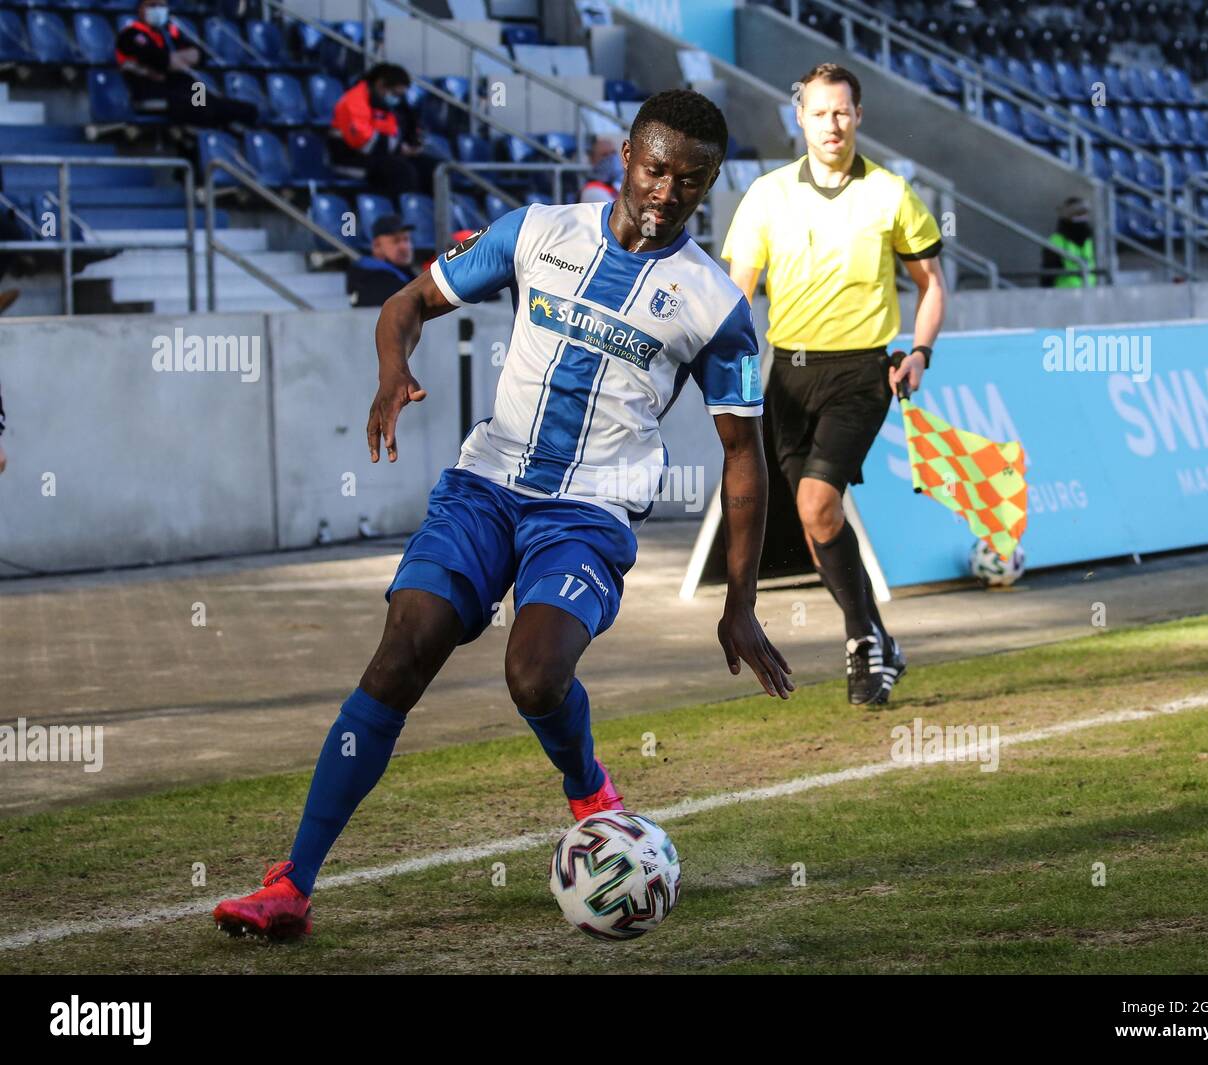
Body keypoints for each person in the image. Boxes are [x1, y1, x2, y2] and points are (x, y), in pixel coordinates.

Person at [212, 89, 794, 939]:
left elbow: (746, 457)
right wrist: (390, 372)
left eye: (692, 179)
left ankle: (587, 783)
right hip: (485, 485)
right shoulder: (536, 233)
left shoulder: (714, 305)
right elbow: (405, 304)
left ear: (710, 184)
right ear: (626, 152)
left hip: (588, 513)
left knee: (535, 676)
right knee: (405, 647)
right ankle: (290, 884)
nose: (668, 190)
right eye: (657, 166)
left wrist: (740, 601)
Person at [722, 63, 946, 708]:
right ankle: (878, 637)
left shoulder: (891, 193)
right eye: (820, 113)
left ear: (859, 116)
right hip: (788, 376)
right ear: (801, 118)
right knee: (814, 520)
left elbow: (932, 284)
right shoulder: (766, 195)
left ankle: (860, 643)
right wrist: (725, 369)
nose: (832, 124)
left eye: (843, 111)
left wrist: (922, 352)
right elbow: (740, 294)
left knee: (820, 504)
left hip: (861, 373)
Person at [114, 0, 258, 129]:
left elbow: (199, 55)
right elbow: (162, 61)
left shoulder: (168, 34)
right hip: (153, 92)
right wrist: (175, 59)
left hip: (181, 87)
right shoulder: (131, 35)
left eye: (162, 6)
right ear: (140, 8)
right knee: (203, 108)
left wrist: (175, 59)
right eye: (152, 5)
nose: (158, 9)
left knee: (222, 103)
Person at [330, 64, 435, 204]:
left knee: (432, 168)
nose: (397, 99)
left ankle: (430, 216)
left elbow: (392, 133)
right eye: (395, 94)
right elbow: (362, 141)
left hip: (377, 155)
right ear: (380, 85)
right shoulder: (354, 100)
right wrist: (399, 149)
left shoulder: (383, 103)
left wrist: (411, 143)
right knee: (401, 171)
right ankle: (398, 216)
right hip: (349, 158)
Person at [347, 214, 416, 308]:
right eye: (396, 241)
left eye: (406, 239)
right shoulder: (374, 282)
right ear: (377, 246)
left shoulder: (404, 274)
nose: (404, 247)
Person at [1040, 196, 1097, 287]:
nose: (1082, 218)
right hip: (1064, 295)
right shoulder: (1056, 241)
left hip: (1089, 292)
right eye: (1078, 214)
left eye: (1084, 214)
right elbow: (1047, 278)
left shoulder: (1089, 239)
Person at [580, 136, 623, 203]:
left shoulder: (615, 185)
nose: (611, 159)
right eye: (605, 155)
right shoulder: (592, 191)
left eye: (613, 153)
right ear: (592, 159)